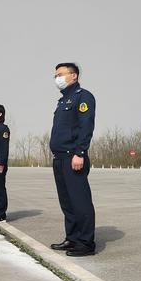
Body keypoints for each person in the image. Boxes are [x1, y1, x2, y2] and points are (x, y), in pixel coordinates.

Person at [49, 62, 97, 257]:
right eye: (55, 76)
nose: (57, 79)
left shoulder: (83, 97)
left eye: (60, 74)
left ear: (74, 76)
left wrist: (80, 153)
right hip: (59, 158)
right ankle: (73, 238)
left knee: (80, 201)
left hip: (73, 157)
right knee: (67, 202)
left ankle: (85, 242)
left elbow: (86, 127)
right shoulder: (62, 101)